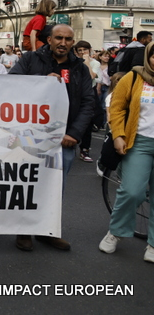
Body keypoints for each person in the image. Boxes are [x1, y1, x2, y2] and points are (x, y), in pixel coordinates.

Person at [10, 24, 94, 251]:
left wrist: (74, 134)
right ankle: (24, 230)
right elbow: (10, 86)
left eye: (68, 39)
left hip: (63, 139)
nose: (63, 43)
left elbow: (88, 102)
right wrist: (41, 81)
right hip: (31, 135)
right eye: (59, 38)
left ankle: (46, 231)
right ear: (49, 40)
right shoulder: (30, 60)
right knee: (28, 183)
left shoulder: (79, 67)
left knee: (55, 187)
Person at [99, 41, 154, 263]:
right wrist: (119, 134)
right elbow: (117, 107)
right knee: (132, 191)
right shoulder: (133, 78)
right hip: (138, 143)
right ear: (148, 57)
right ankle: (116, 232)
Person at [73, 40, 97, 162]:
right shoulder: (73, 63)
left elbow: (91, 76)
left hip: (89, 94)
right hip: (75, 94)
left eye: (85, 50)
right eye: (80, 50)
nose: (83, 52)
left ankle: (85, 149)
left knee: (87, 123)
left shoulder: (95, 63)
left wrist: (86, 61)